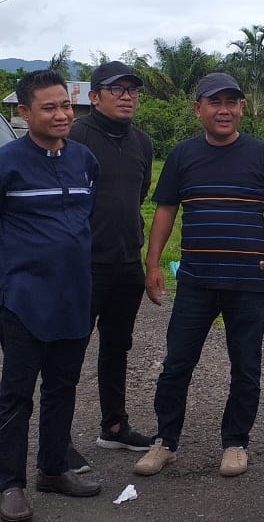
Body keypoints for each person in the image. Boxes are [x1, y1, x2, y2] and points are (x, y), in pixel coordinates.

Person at [132, 73, 264, 479]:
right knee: (176, 365)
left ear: (242, 107)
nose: (224, 109)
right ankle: (165, 442)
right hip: (196, 282)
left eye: (232, 102)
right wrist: (153, 263)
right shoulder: (182, 155)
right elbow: (166, 210)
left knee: (246, 368)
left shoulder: (262, 154)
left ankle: (236, 443)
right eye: (214, 102)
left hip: (248, 281)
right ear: (198, 109)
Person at [0, 70, 102, 521]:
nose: (62, 114)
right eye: (49, 107)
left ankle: (52, 468)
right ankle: (11, 484)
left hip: (76, 297)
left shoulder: (84, 160)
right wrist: (7, 268)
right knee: (16, 395)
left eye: (65, 105)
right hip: (24, 300)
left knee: (63, 387)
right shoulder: (4, 164)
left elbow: (88, 215)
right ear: (24, 113)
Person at [66, 60, 155, 465]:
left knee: (118, 346)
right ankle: (57, 438)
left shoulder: (142, 141)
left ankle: (114, 426)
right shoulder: (75, 137)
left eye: (132, 90)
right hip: (83, 266)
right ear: (94, 96)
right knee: (68, 349)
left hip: (126, 262)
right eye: (116, 89)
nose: (126, 96)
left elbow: (138, 196)